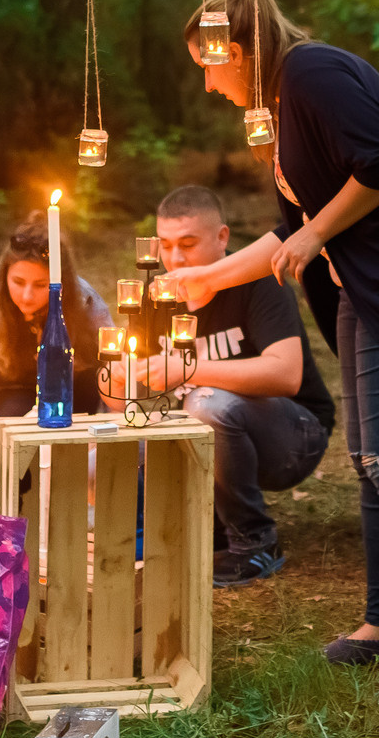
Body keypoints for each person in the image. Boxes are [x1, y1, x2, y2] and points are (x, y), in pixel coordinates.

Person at [165, 0, 379, 711]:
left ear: (239, 47)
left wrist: (318, 232)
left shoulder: (312, 72)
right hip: (362, 290)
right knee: (371, 459)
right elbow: (294, 228)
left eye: (209, 62)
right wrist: (209, 275)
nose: (208, 80)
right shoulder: (284, 105)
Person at [131, 183, 336, 588]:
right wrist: (123, 377)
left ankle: (254, 541)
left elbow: (286, 374)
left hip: (293, 437)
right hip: (208, 439)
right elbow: (135, 393)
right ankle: (194, 529)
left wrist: (186, 370)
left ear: (222, 237)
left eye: (188, 244)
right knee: (131, 426)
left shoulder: (260, 284)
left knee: (211, 405)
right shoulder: (153, 297)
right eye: (166, 245)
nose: (174, 258)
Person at [0, 215, 117, 444]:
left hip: (74, 393)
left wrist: (104, 439)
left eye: (40, 285)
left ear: (60, 282)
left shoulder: (85, 302)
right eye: (17, 282)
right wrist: (15, 442)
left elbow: (115, 373)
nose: (27, 296)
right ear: (4, 274)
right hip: (15, 397)